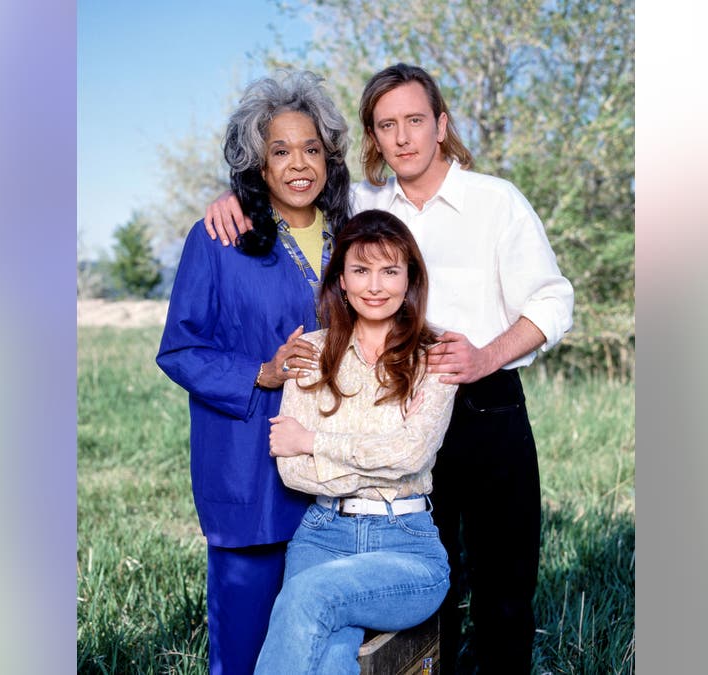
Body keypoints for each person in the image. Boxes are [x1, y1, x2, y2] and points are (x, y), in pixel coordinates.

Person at [205, 63, 575, 673]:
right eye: (385, 126)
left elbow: (553, 300)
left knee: (503, 586)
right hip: (387, 405)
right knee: (428, 601)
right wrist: (237, 197)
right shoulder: (362, 204)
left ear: (441, 125)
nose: (402, 137)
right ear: (373, 138)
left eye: (414, 121)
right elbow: (293, 192)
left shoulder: (495, 201)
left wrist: (485, 356)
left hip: (480, 400)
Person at [155, 69, 351, 675]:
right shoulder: (218, 238)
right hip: (250, 470)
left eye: (312, 148)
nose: (299, 164)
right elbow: (180, 350)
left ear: (329, 158)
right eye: (280, 150)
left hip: (339, 470)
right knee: (243, 649)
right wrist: (259, 374)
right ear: (257, 165)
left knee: (324, 645)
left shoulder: (354, 239)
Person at [253, 209, 456, 673]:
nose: (375, 285)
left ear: (410, 279)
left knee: (310, 594)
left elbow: (412, 454)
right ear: (341, 280)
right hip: (322, 536)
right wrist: (366, 452)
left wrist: (313, 439)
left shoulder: (436, 355)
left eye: (390, 271)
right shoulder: (311, 352)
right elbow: (292, 468)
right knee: (330, 654)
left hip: (406, 545)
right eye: (360, 270)